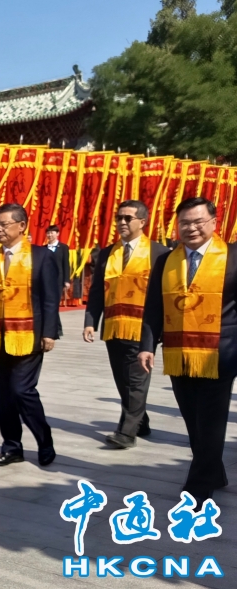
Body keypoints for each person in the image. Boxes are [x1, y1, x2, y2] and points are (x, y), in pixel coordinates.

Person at [139, 197, 237, 506]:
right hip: (178, 353)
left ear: (213, 222)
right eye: (185, 223)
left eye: (198, 221)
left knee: (210, 421)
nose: (191, 228)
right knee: (193, 419)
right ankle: (214, 472)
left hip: (220, 353)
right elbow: (153, 307)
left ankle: (198, 489)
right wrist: (147, 346)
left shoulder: (233, 256)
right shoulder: (166, 261)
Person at [0, 203, 59, 467]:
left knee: (21, 390)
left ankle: (44, 440)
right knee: (4, 395)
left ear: (22, 226)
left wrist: (49, 332)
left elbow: (50, 298)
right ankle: (12, 447)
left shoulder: (41, 256)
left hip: (29, 335)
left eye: (4, 224)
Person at [84, 200, 167, 449]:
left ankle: (126, 432)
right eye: (118, 218)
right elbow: (97, 290)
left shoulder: (159, 253)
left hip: (143, 328)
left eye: (127, 218)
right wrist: (90, 321)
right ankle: (141, 422)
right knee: (123, 379)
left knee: (136, 380)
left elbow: (164, 294)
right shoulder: (108, 253)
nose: (121, 222)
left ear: (142, 221)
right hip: (114, 326)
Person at [46, 225, 71, 337]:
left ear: (57, 234)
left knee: (54, 304)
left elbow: (66, 264)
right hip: (46, 280)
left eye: (52, 232)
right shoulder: (44, 248)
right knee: (48, 304)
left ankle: (57, 328)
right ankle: (56, 328)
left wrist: (66, 280)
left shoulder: (63, 247)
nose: (50, 235)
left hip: (58, 280)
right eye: (48, 233)